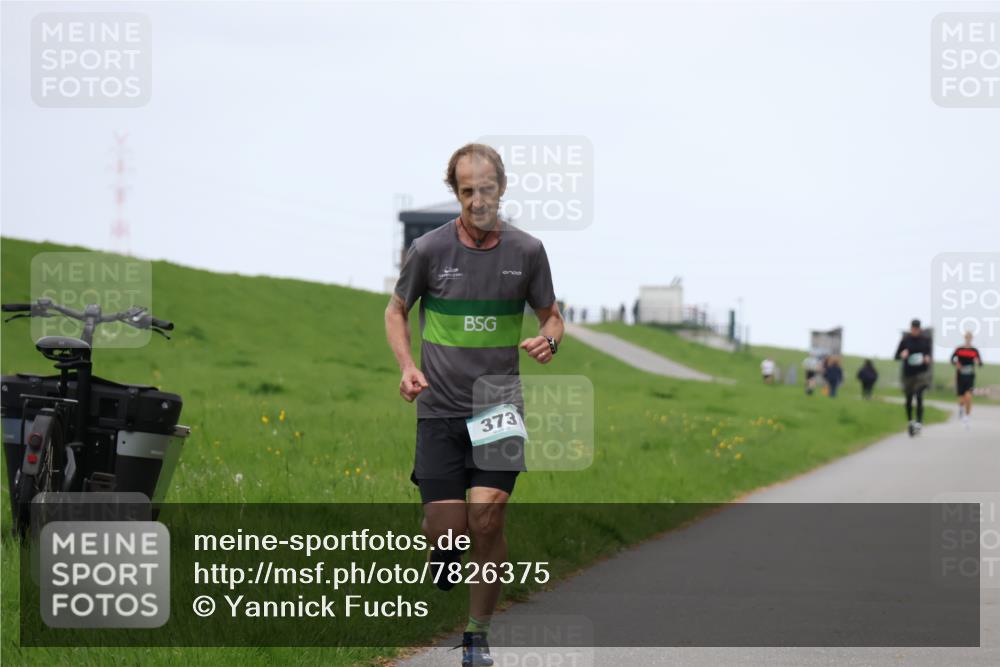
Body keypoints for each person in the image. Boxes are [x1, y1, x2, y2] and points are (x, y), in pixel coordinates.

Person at [385, 143, 562, 667]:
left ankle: (476, 636)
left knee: (488, 518)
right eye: (467, 192)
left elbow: (552, 314)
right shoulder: (429, 251)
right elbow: (397, 310)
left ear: (501, 188)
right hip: (439, 407)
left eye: (486, 189)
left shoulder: (528, 252)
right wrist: (406, 365)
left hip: (497, 406)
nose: (478, 201)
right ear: (456, 193)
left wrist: (550, 339)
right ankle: (444, 549)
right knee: (449, 530)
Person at [894, 319, 932, 437]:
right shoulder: (905, 341)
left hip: (921, 373)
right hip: (908, 373)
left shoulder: (925, 341)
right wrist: (902, 354)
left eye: (917, 329)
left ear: (919, 329)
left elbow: (929, 355)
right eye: (913, 328)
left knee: (919, 395)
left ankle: (919, 423)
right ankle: (910, 421)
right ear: (911, 328)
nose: (915, 330)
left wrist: (927, 358)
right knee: (909, 398)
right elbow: (896, 356)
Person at [950, 331, 984, 429]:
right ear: (965, 338)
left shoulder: (975, 350)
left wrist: (978, 362)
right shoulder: (959, 349)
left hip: (970, 376)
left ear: (971, 338)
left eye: (970, 337)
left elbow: (980, 363)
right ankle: (961, 408)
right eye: (967, 337)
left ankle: (967, 416)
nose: (968, 339)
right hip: (960, 376)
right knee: (961, 399)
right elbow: (952, 359)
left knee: (968, 397)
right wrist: (956, 364)